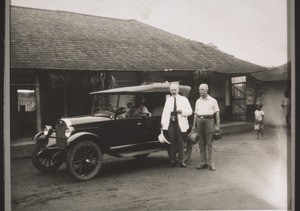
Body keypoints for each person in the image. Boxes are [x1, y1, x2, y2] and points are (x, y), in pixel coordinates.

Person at [161, 84, 193, 168]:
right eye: (171, 90)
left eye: (175, 90)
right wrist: (163, 124)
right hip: (171, 122)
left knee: (180, 142)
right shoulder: (168, 100)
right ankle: (172, 160)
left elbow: (190, 111)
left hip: (180, 121)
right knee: (172, 142)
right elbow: (165, 112)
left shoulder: (184, 99)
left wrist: (182, 112)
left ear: (178, 90)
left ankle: (181, 161)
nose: (173, 92)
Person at [192, 83, 220, 171]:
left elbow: (217, 113)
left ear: (207, 90)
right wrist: (193, 125)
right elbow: (195, 114)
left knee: (209, 143)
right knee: (201, 143)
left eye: (202, 89)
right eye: (199, 89)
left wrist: (217, 126)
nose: (200, 91)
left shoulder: (213, 100)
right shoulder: (198, 101)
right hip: (200, 121)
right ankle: (203, 162)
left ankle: (211, 163)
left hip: (209, 121)